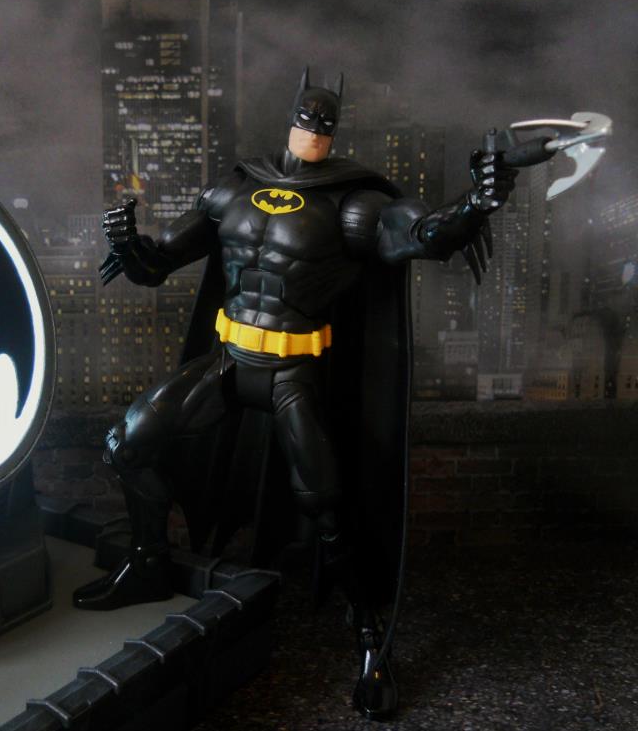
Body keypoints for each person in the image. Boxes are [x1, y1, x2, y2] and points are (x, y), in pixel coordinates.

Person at [73, 67, 516, 719]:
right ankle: (148, 560)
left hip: (291, 373)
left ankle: (368, 635)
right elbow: (158, 261)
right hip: (227, 361)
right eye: (307, 116)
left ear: (334, 129)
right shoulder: (236, 187)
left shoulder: (352, 203)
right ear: (291, 118)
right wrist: (126, 242)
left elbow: (426, 235)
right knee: (127, 444)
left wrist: (477, 202)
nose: (313, 126)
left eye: (324, 120)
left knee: (329, 508)